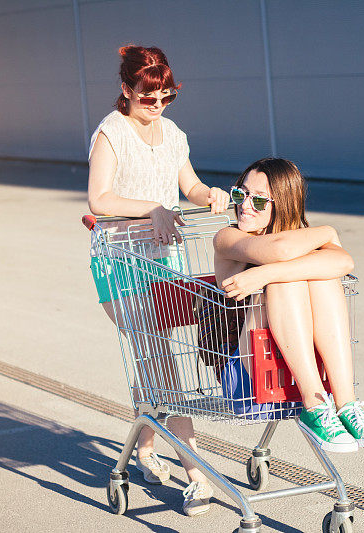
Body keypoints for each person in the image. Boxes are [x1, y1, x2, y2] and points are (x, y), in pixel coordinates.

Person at [87, 45, 227, 516]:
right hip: (120, 260)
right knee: (161, 359)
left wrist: (210, 194)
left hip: (165, 258)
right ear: (126, 90)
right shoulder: (111, 133)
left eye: (166, 98)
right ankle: (196, 476)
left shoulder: (173, 134)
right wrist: (151, 208)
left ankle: (143, 451)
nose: (158, 107)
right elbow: (99, 197)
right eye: (149, 99)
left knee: (154, 361)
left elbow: (188, 184)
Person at [213, 158, 364, 453]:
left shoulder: (300, 239)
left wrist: (264, 273)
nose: (245, 205)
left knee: (323, 277)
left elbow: (344, 262)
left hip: (292, 373)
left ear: (282, 204)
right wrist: (328, 233)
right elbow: (280, 250)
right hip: (250, 380)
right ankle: (314, 406)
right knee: (289, 280)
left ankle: (345, 404)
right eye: (240, 193)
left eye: (258, 200)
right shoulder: (229, 237)